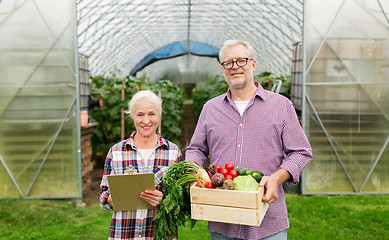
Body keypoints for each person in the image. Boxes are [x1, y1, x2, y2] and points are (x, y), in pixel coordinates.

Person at [185, 40, 313, 240]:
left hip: (268, 220)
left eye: (241, 60)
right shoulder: (211, 108)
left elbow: (301, 151)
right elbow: (196, 148)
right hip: (222, 220)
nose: (235, 66)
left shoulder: (280, 106)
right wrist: (194, 170)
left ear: (253, 65)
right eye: (228, 63)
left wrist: (276, 178)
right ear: (223, 69)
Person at [98, 90, 182, 240]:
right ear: (132, 116)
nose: (146, 120)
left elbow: (181, 201)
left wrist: (165, 200)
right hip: (123, 234)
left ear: (159, 115)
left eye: (151, 114)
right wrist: (113, 198)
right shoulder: (116, 152)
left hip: (159, 235)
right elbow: (103, 195)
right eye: (140, 114)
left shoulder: (173, 152)